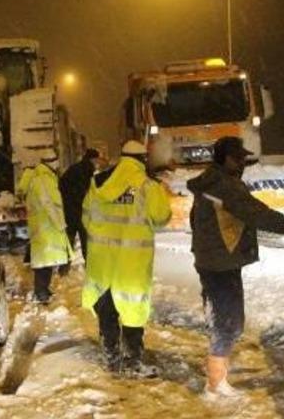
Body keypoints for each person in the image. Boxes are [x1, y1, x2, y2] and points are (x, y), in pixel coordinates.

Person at [187, 136, 284, 398]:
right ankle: (215, 382)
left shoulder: (210, 182)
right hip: (220, 264)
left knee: (222, 319)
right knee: (230, 324)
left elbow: (195, 220)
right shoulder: (225, 186)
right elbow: (262, 216)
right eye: (238, 158)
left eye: (244, 158)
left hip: (213, 260)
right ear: (223, 158)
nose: (243, 163)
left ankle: (216, 370)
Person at [82, 140, 171, 376]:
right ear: (142, 159)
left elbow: (86, 217)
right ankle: (132, 362)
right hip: (131, 264)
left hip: (102, 262)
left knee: (106, 309)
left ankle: (112, 358)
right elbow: (162, 217)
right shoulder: (146, 185)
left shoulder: (98, 182)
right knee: (132, 311)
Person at [17, 150, 72, 304]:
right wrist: (60, 224)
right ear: (50, 162)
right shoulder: (43, 180)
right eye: (55, 160)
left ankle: (43, 289)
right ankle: (41, 292)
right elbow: (49, 204)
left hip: (42, 227)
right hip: (46, 227)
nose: (57, 163)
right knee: (43, 263)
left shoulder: (42, 177)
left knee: (45, 261)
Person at [59, 148, 103, 261]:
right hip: (79, 210)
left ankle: (64, 266)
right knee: (85, 239)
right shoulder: (86, 170)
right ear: (92, 159)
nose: (98, 162)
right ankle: (88, 264)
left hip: (69, 209)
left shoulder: (76, 167)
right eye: (97, 160)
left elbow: (62, 184)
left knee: (69, 239)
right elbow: (85, 192)